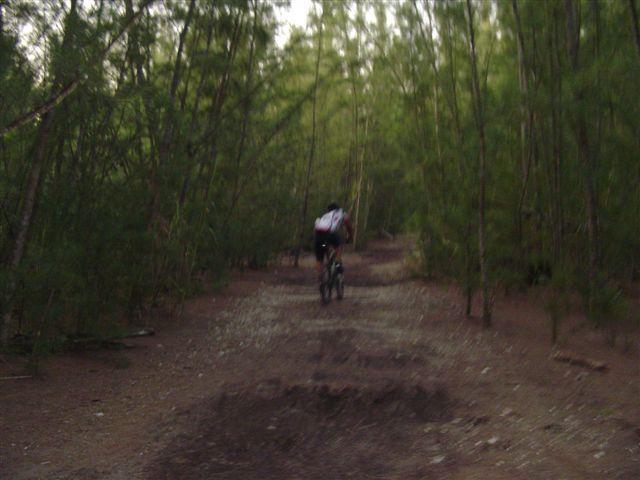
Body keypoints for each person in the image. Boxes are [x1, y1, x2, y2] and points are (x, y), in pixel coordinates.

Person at [314, 202, 353, 278]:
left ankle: (320, 280)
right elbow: (348, 226)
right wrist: (350, 237)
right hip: (329, 234)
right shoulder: (341, 213)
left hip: (318, 237)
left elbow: (316, 228)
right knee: (339, 245)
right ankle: (338, 264)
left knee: (319, 258)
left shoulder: (324, 216)